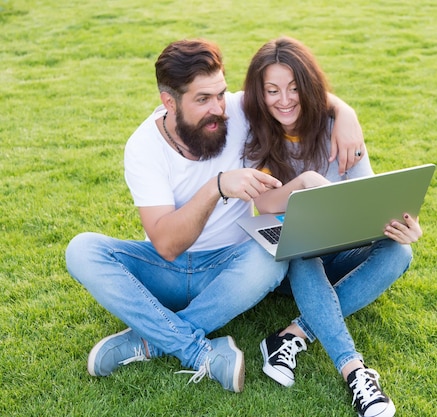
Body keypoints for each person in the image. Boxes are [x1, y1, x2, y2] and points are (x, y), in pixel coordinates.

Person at [65, 38, 364, 393]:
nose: (218, 108)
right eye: (203, 99)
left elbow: (293, 90)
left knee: (272, 254)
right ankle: (196, 350)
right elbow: (166, 245)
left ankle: (151, 341)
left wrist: (346, 112)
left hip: (233, 269)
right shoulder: (144, 147)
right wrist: (216, 187)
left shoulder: (235, 111)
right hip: (166, 274)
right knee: (82, 250)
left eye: (221, 93)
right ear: (169, 103)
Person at [242, 37, 423, 417]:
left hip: (339, 249)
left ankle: (293, 334)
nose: (284, 100)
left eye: (293, 88)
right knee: (303, 245)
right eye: (272, 90)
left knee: (399, 251)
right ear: (260, 94)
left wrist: (398, 225)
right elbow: (262, 202)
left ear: (309, 87)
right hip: (289, 262)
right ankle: (355, 371)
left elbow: (370, 202)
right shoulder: (254, 132)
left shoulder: (338, 130)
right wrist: (305, 182)